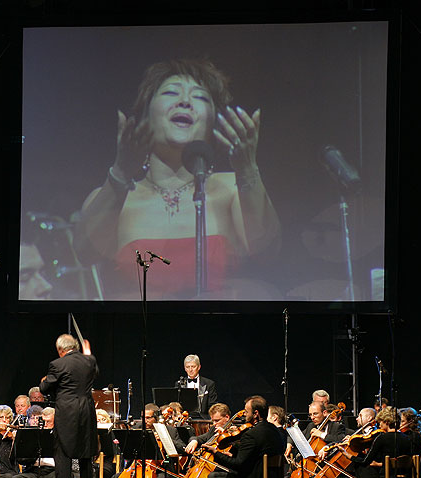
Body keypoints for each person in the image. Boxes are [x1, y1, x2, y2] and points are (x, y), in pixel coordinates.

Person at [73, 59, 280, 299]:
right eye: (171, 93)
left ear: (214, 120)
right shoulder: (114, 197)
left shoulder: (233, 189)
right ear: (145, 115)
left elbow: (269, 253)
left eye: (200, 97)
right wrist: (120, 172)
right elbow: (85, 253)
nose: (185, 102)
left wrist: (247, 170)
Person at [199, 395, 285, 478]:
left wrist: (216, 453)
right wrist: (235, 450)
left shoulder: (251, 434)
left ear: (255, 413)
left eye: (246, 411)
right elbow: (255, 454)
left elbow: (238, 465)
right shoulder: (275, 430)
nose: (244, 415)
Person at [39, 333, 98, 478]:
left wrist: (44, 381)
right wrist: (88, 355)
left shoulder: (57, 364)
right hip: (86, 412)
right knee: (86, 455)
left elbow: (45, 388)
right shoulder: (89, 361)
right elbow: (93, 373)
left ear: (60, 350)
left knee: (62, 455)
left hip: (66, 414)